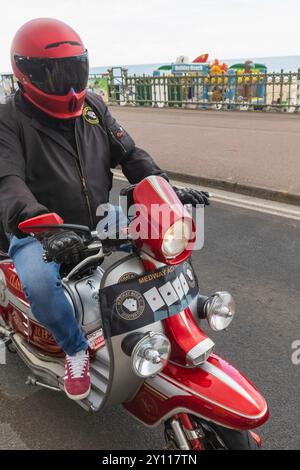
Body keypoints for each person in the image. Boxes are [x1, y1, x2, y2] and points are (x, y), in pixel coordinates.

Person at [0, 18, 209, 401]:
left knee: (159, 240)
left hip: (98, 216)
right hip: (42, 229)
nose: (68, 85)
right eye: (54, 75)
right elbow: (8, 182)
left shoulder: (93, 105)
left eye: (73, 70)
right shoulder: (7, 119)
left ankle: (180, 316)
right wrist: (44, 228)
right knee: (42, 284)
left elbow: (130, 154)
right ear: (25, 73)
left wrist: (169, 190)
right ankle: (75, 348)